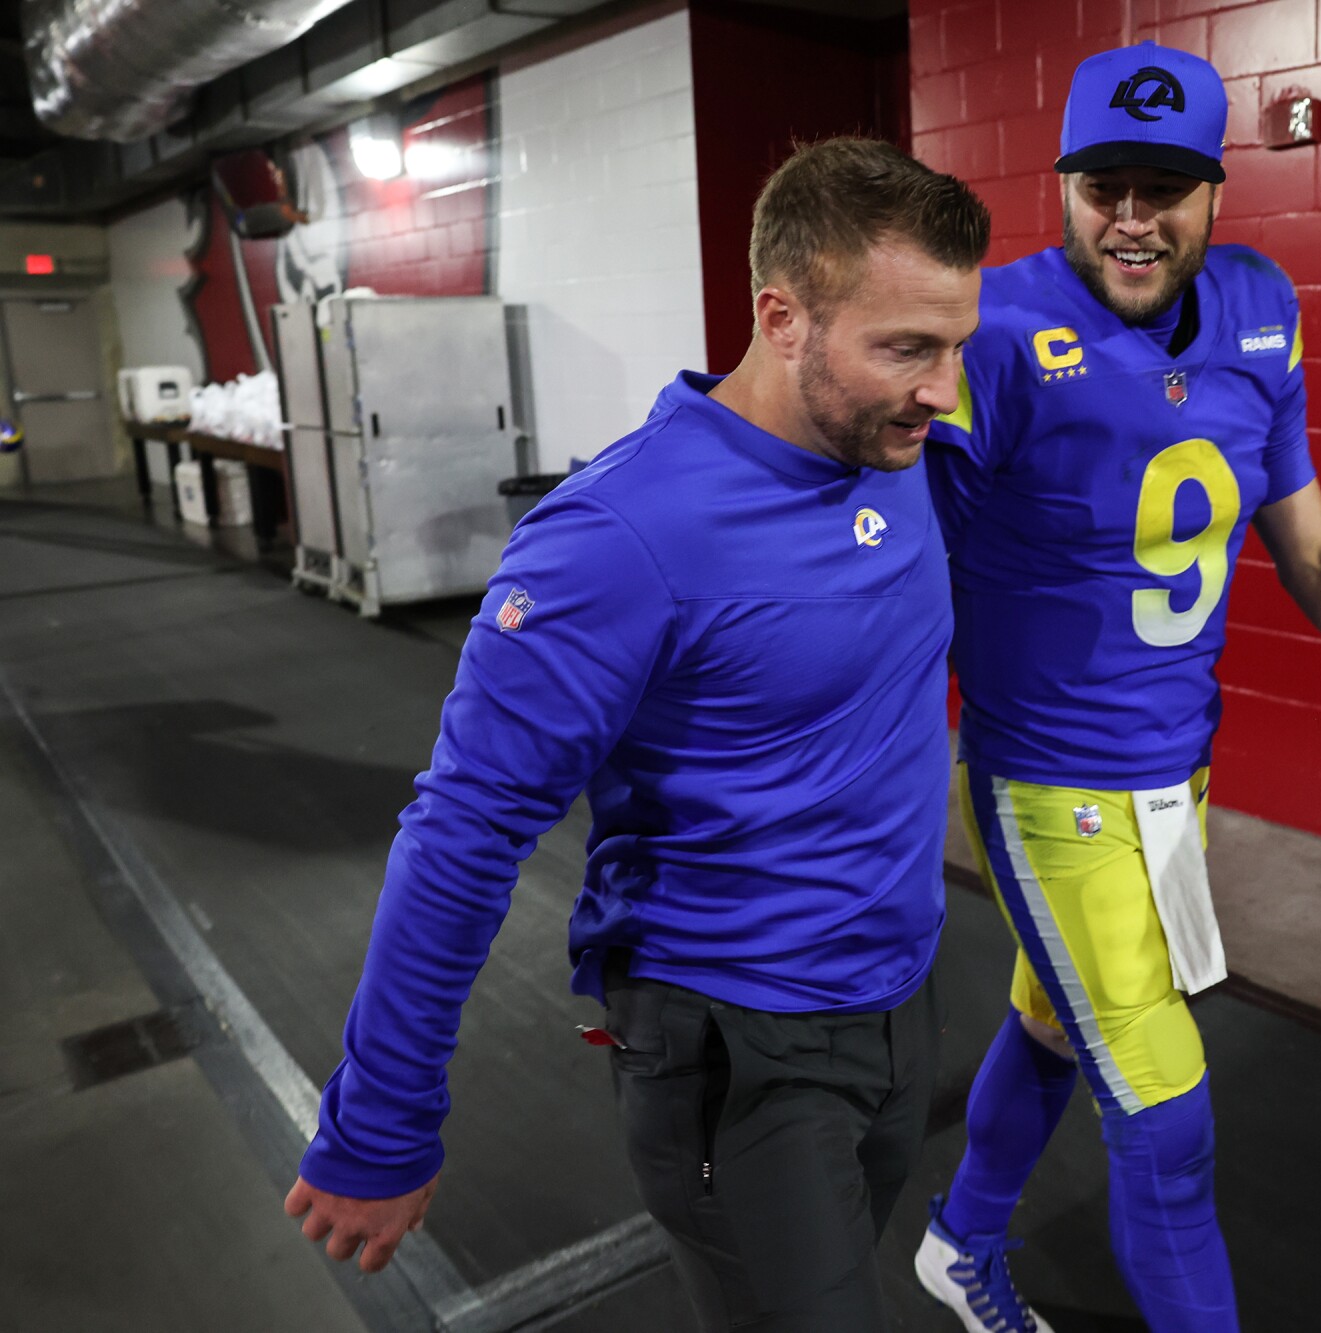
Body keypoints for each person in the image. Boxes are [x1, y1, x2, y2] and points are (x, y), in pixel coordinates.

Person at [281, 137, 989, 1332]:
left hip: (901, 999)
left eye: (955, 343)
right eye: (907, 349)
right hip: (739, 1046)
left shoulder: (893, 445)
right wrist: (379, 1121)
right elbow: (462, 833)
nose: (945, 388)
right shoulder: (617, 538)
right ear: (782, 318)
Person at [912, 43, 1321, 1333]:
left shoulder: (1262, 310)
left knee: (1052, 1023)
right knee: (1166, 1112)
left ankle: (957, 1243)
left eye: (1164, 186)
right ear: (1063, 184)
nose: (1131, 219)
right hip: (1049, 783)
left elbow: (1311, 547)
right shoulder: (991, 331)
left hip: (1176, 772)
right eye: (1104, 186)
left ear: (1215, 193)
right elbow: (896, 575)